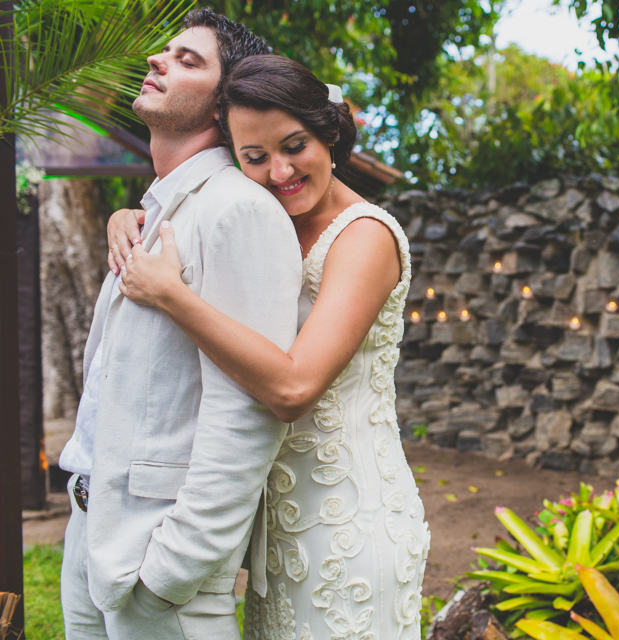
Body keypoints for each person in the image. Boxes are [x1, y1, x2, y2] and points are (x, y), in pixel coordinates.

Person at [106, 54, 430, 640]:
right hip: (275, 531)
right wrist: (130, 215)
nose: (280, 170)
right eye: (255, 158)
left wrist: (172, 297)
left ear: (328, 132)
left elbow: (293, 388)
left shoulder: (364, 237)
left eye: (295, 145)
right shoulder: (264, 219)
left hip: (349, 519)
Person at [59, 10, 303, 640]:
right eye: (165, 52)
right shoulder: (153, 209)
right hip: (93, 528)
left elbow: (247, 410)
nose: (156, 61)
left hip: (158, 560)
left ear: (225, 104)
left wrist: (177, 567)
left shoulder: (238, 211)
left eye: (189, 59)